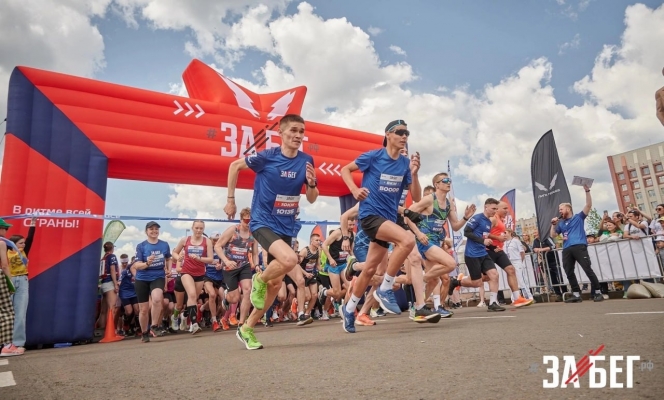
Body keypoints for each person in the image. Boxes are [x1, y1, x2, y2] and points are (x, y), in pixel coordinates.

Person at [224, 114, 318, 350]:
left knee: (276, 285)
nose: (298, 135)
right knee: (290, 259)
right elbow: (234, 166)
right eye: (293, 130)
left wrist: (312, 184)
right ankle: (260, 278)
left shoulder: (306, 160)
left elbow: (312, 198)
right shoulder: (267, 157)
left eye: (301, 131)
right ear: (281, 133)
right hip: (263, 222)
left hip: (286, 226)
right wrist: (231, 200)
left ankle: (247, 328)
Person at [339, 119, 423, 333]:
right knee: (407, 240)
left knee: (369, 270)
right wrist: (354, 190)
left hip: (387, 219)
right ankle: (385, 288)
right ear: (388, 135)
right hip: (370, 216)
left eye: (407, 133)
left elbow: (416, 196)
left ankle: (349, 309)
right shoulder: (374, 156)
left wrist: (414, 174)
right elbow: (345, 170)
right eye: (400, 132)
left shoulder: (404, 164)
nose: (404, 136)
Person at [405, 172, 475, 315]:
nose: (449, 182)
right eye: (445, 180)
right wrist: (418, 233)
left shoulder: (448, 204)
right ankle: (422, 279)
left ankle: (418, 308)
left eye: (449, 180)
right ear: (437, 185)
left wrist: (465, 217)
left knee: (435, 280)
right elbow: (407, 214)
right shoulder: (429, 199)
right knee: (451, 264)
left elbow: (455, 226)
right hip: (425, 240)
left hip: (436, 242)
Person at [448, 198, 505, 311]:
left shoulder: (489, 222)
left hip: (483, 253)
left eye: (496, 209)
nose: (495, 211)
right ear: (486, 207)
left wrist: (493, 248)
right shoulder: (477, 218)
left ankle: (493, 303)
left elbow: (484, 237)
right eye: (493, 208)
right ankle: (455, 282)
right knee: (477, 283)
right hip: (472, 255)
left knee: (494, 275)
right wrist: (483, 241)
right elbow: (466, 232)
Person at [550, 184, 603, 303]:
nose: (560, 211)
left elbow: (588, 205)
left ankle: (598, 292)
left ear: (568, 209)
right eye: (559, 210)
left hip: (579, 246)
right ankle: (576, 294)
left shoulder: (578, 217)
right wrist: (553, 225)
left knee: (587, 269)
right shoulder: (561, 223)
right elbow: (553, 235)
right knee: (568, 271)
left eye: (561, 209)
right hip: (567, 248)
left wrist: (587, 191)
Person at [215, 208, 257, 329]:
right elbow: (217, 246)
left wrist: (256, 264)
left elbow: (255, 253)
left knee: (248, 290)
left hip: (244, 265)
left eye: (250, 221)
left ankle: (242, 322)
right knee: (235, 299)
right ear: (241, 219)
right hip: (230, 267)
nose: (248, 223)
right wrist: (226, 261)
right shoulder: (233, 230)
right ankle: (226, 296)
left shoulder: (253, 233)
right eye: (246, 220)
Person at [172, 220, 214, 335]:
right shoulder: (185, 240)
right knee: (191, 295)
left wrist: (199, 258)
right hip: (186, 272)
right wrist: (178, 258)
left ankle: (185, 315)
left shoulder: (207, 241)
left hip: (199, 273)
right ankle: (194, 324)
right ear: (192, 228)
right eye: (197, 228)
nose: (199, 230)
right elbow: (174, 253)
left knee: (193, 299)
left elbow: (210, 259)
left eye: (201, 228)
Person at [2, 217, 36, 356]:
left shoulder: (24, 251)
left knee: (20, 314)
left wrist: (33, 223)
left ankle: (18, 343)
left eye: (23, 243)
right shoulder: (5, 249)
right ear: (14, 244)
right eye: (20, 243)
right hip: (8, 280)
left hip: (22, 281)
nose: (23, 244)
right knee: (7, 314)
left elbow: (30, 238)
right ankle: (7, 344)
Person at [134, 221, 172, 342]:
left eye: (156, 229)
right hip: (142, 278)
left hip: (158, 276)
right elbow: (136, 265)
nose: (154, 231)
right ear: (146, 231)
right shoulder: (141, 246)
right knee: (144, 309)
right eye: (151, 229)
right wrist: (147, 263)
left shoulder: (164, 245)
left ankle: (154, 326)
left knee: (156, 298)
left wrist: (169, 269)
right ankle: (144, 332)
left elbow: (168, 258)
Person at [0, 219, 16, 356]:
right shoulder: (1, 243)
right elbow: (4, 265)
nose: (6, 231)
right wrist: (10, 281)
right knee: (6, 311)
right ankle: (5, 345)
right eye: (5, 228)